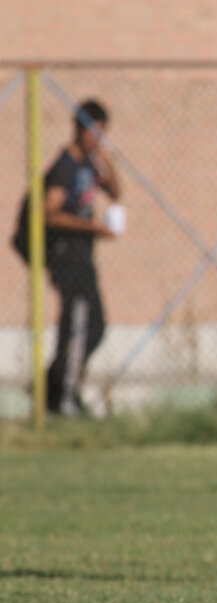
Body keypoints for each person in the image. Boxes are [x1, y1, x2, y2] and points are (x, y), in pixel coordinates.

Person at [12, 99, 121, 416]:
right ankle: (65, 400)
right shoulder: (66, 167)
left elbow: (115, 192)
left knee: (96, 326)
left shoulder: (90, 164)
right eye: (92, 132)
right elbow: (50, 212)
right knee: (77, 325)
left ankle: (50, 386)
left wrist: (107, 161)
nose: (96, 139)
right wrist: (93, 228)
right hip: (67, 257)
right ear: (79, 129)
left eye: (101, 133)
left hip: (84, 257)